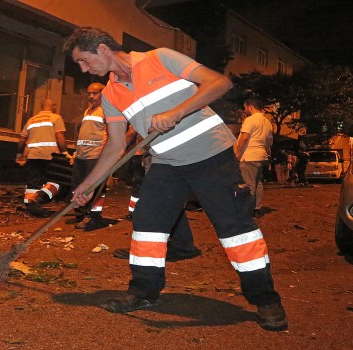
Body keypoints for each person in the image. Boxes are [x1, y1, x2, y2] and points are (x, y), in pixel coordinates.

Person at [63, 27, 287, 331]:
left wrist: (177, 112)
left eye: (83, 61)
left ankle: (265, 299)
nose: (83, 69)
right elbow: (115, 145)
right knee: (146, 224)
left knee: (236, 229)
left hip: (212, 157)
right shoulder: (111, 95)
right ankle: (143, 291)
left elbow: (219, 82)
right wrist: (87, 186)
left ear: (102, 49)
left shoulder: (160, 59)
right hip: (167, 164)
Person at [65, 83, 109, 231]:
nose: (91, 96)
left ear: (104, 93)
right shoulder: (88, 111)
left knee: (95, 188)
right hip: (82, 156)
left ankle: (94, 217)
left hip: (96, 155)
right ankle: (81, 214)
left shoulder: (107, 111)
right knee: (78, 185)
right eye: (89, 93)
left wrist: (104, 156)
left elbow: (110, 135)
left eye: (95, 93)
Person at [16, 98, 69, 217]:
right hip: (50, 155)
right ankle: (41, 197)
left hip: (33, 155)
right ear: (53, 106)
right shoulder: (55, 117)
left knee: (33, 182)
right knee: (58, 180)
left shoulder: (31, 120)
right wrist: (65, 152)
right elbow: (60, 136)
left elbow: (22, 139)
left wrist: (19, 155)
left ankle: (31, 206)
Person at [235, 98, 273, 217]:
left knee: (248, 184)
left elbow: (245, 137)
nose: (244, 110)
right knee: (258, 183)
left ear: (250, 107)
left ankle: (247, 210)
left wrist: (237, 153)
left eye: (245, 107)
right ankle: (256, 207)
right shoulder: (267, 122)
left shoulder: (250, 120)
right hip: (261, 156)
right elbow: (269, 142)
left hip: (249, 156)